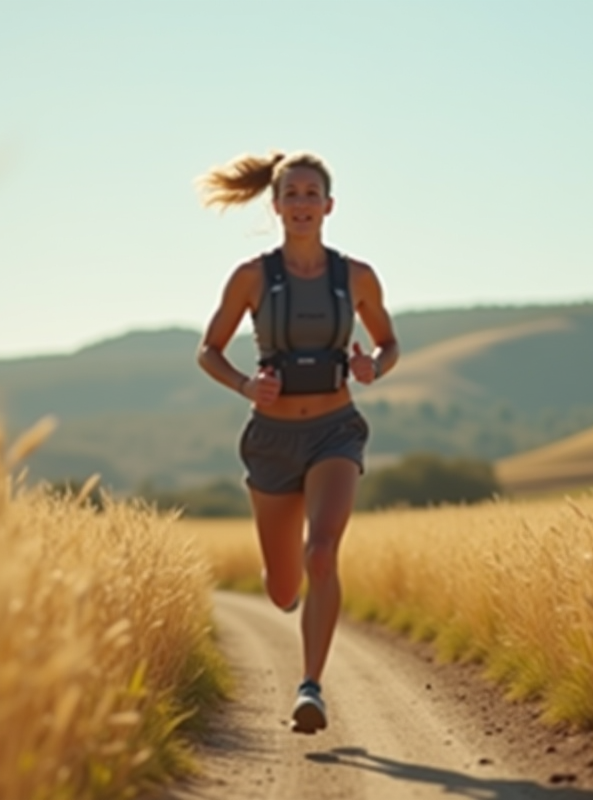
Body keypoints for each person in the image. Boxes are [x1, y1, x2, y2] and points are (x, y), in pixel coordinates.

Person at [194, 150, 399, 734]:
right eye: (293, 195)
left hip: (335, 429)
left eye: (313, 194)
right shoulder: (251, 277)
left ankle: (310, 686)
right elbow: (208, 349)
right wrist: (244, 384)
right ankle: (283, 592)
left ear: (329, 206)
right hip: (271, 440)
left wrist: (371, 369)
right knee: (284, 584)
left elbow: (388, 343)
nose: (303, 204)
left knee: (322, 553)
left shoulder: (356, 276)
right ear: (276, 205)